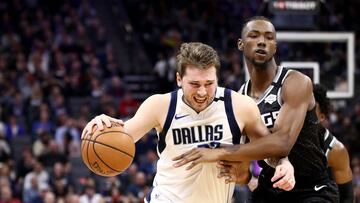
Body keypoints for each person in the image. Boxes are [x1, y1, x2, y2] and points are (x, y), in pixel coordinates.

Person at [81, 42, 294, 203]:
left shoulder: (240, 106)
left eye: (209, 83)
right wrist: (102, 127)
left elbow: (270, 150)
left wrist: (284, 164)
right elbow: (122, 138)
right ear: (178, 79)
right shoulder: (160, 105)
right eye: (194, 84)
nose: (202, 92)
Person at [173, 16, 339, 202]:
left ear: (275, 47)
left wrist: (216, 152)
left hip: (312, 190)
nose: (262, 41)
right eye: (254, 36)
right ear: (241, 44)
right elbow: (244, 165)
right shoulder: (240, 99)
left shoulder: (295, 82)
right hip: (269, 190)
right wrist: (243, 177)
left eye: (269, 37)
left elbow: (282, 143)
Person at [313, 84, 354, 202]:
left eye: (311, 110)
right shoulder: (285, 138)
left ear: (322, 116)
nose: (305, 114)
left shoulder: (335, 150)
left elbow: (347, 197)